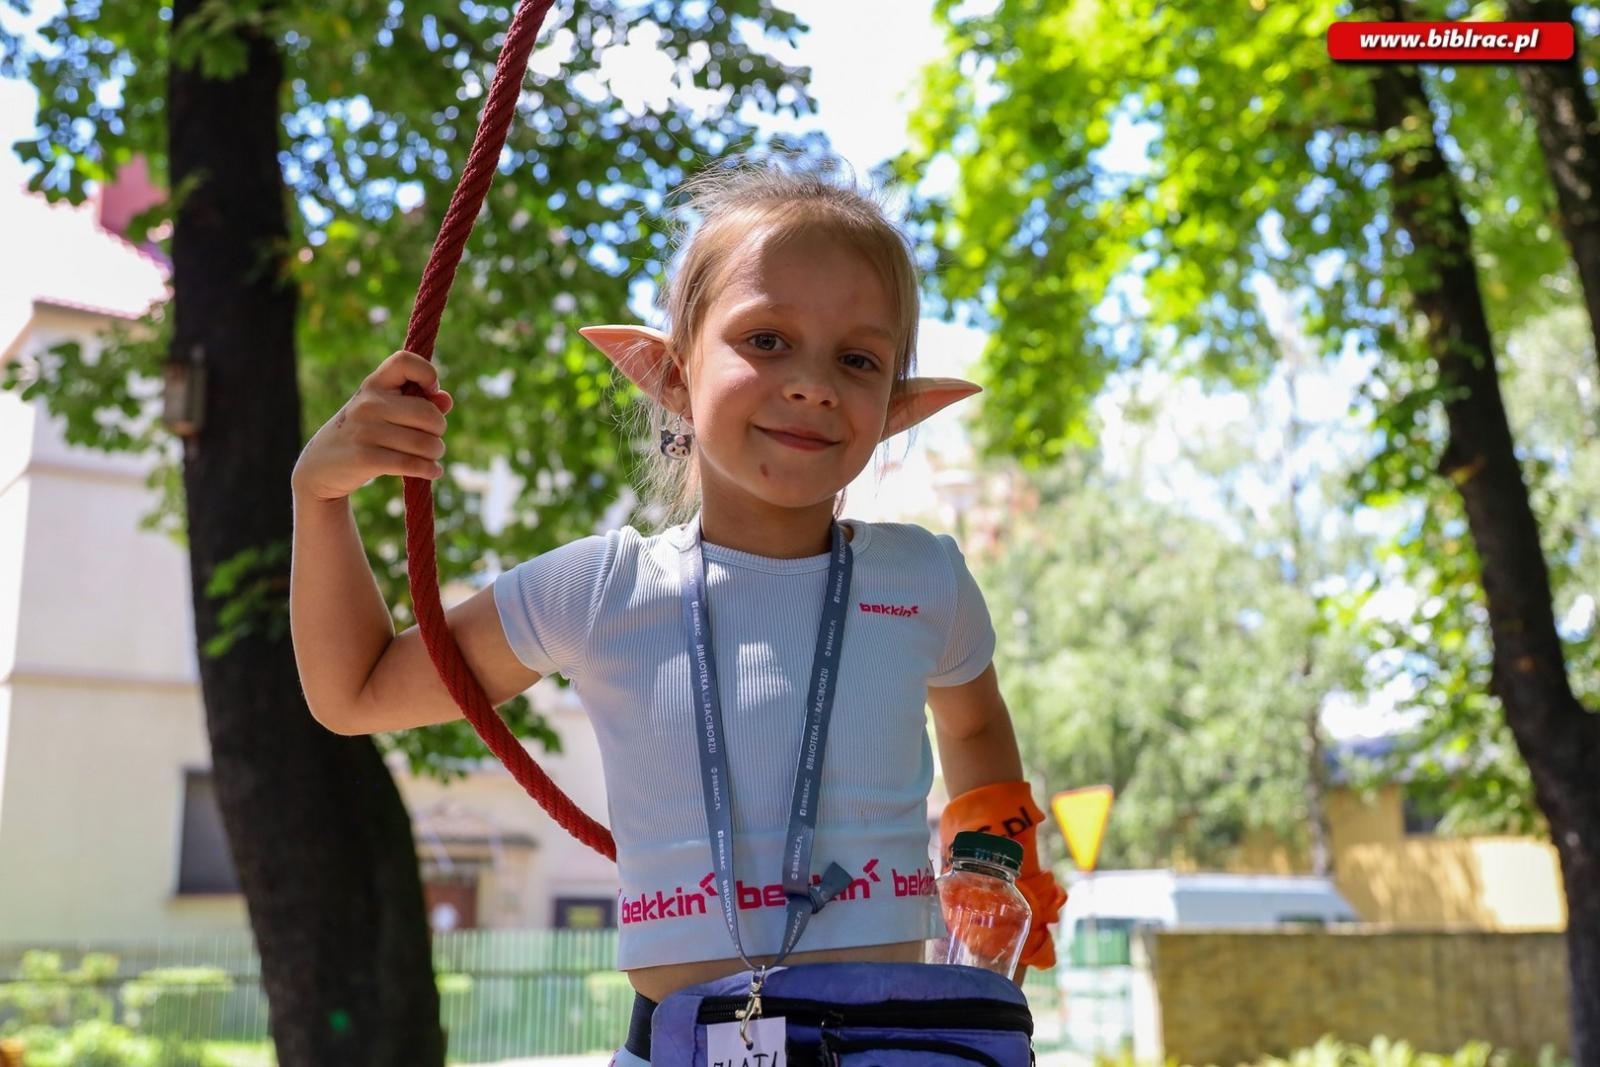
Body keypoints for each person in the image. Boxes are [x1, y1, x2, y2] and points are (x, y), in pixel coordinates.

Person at [289, 155, 1066, 1065]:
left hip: (901, 1046)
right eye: (766, 340)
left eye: (857, 358)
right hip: (680, 1045)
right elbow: (359, 690)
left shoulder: (927, 577)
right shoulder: (600, 590)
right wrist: (320, 499)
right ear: (670, 374)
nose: (813, 381)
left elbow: (975, 723)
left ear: (893, 407)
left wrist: (992, 865)